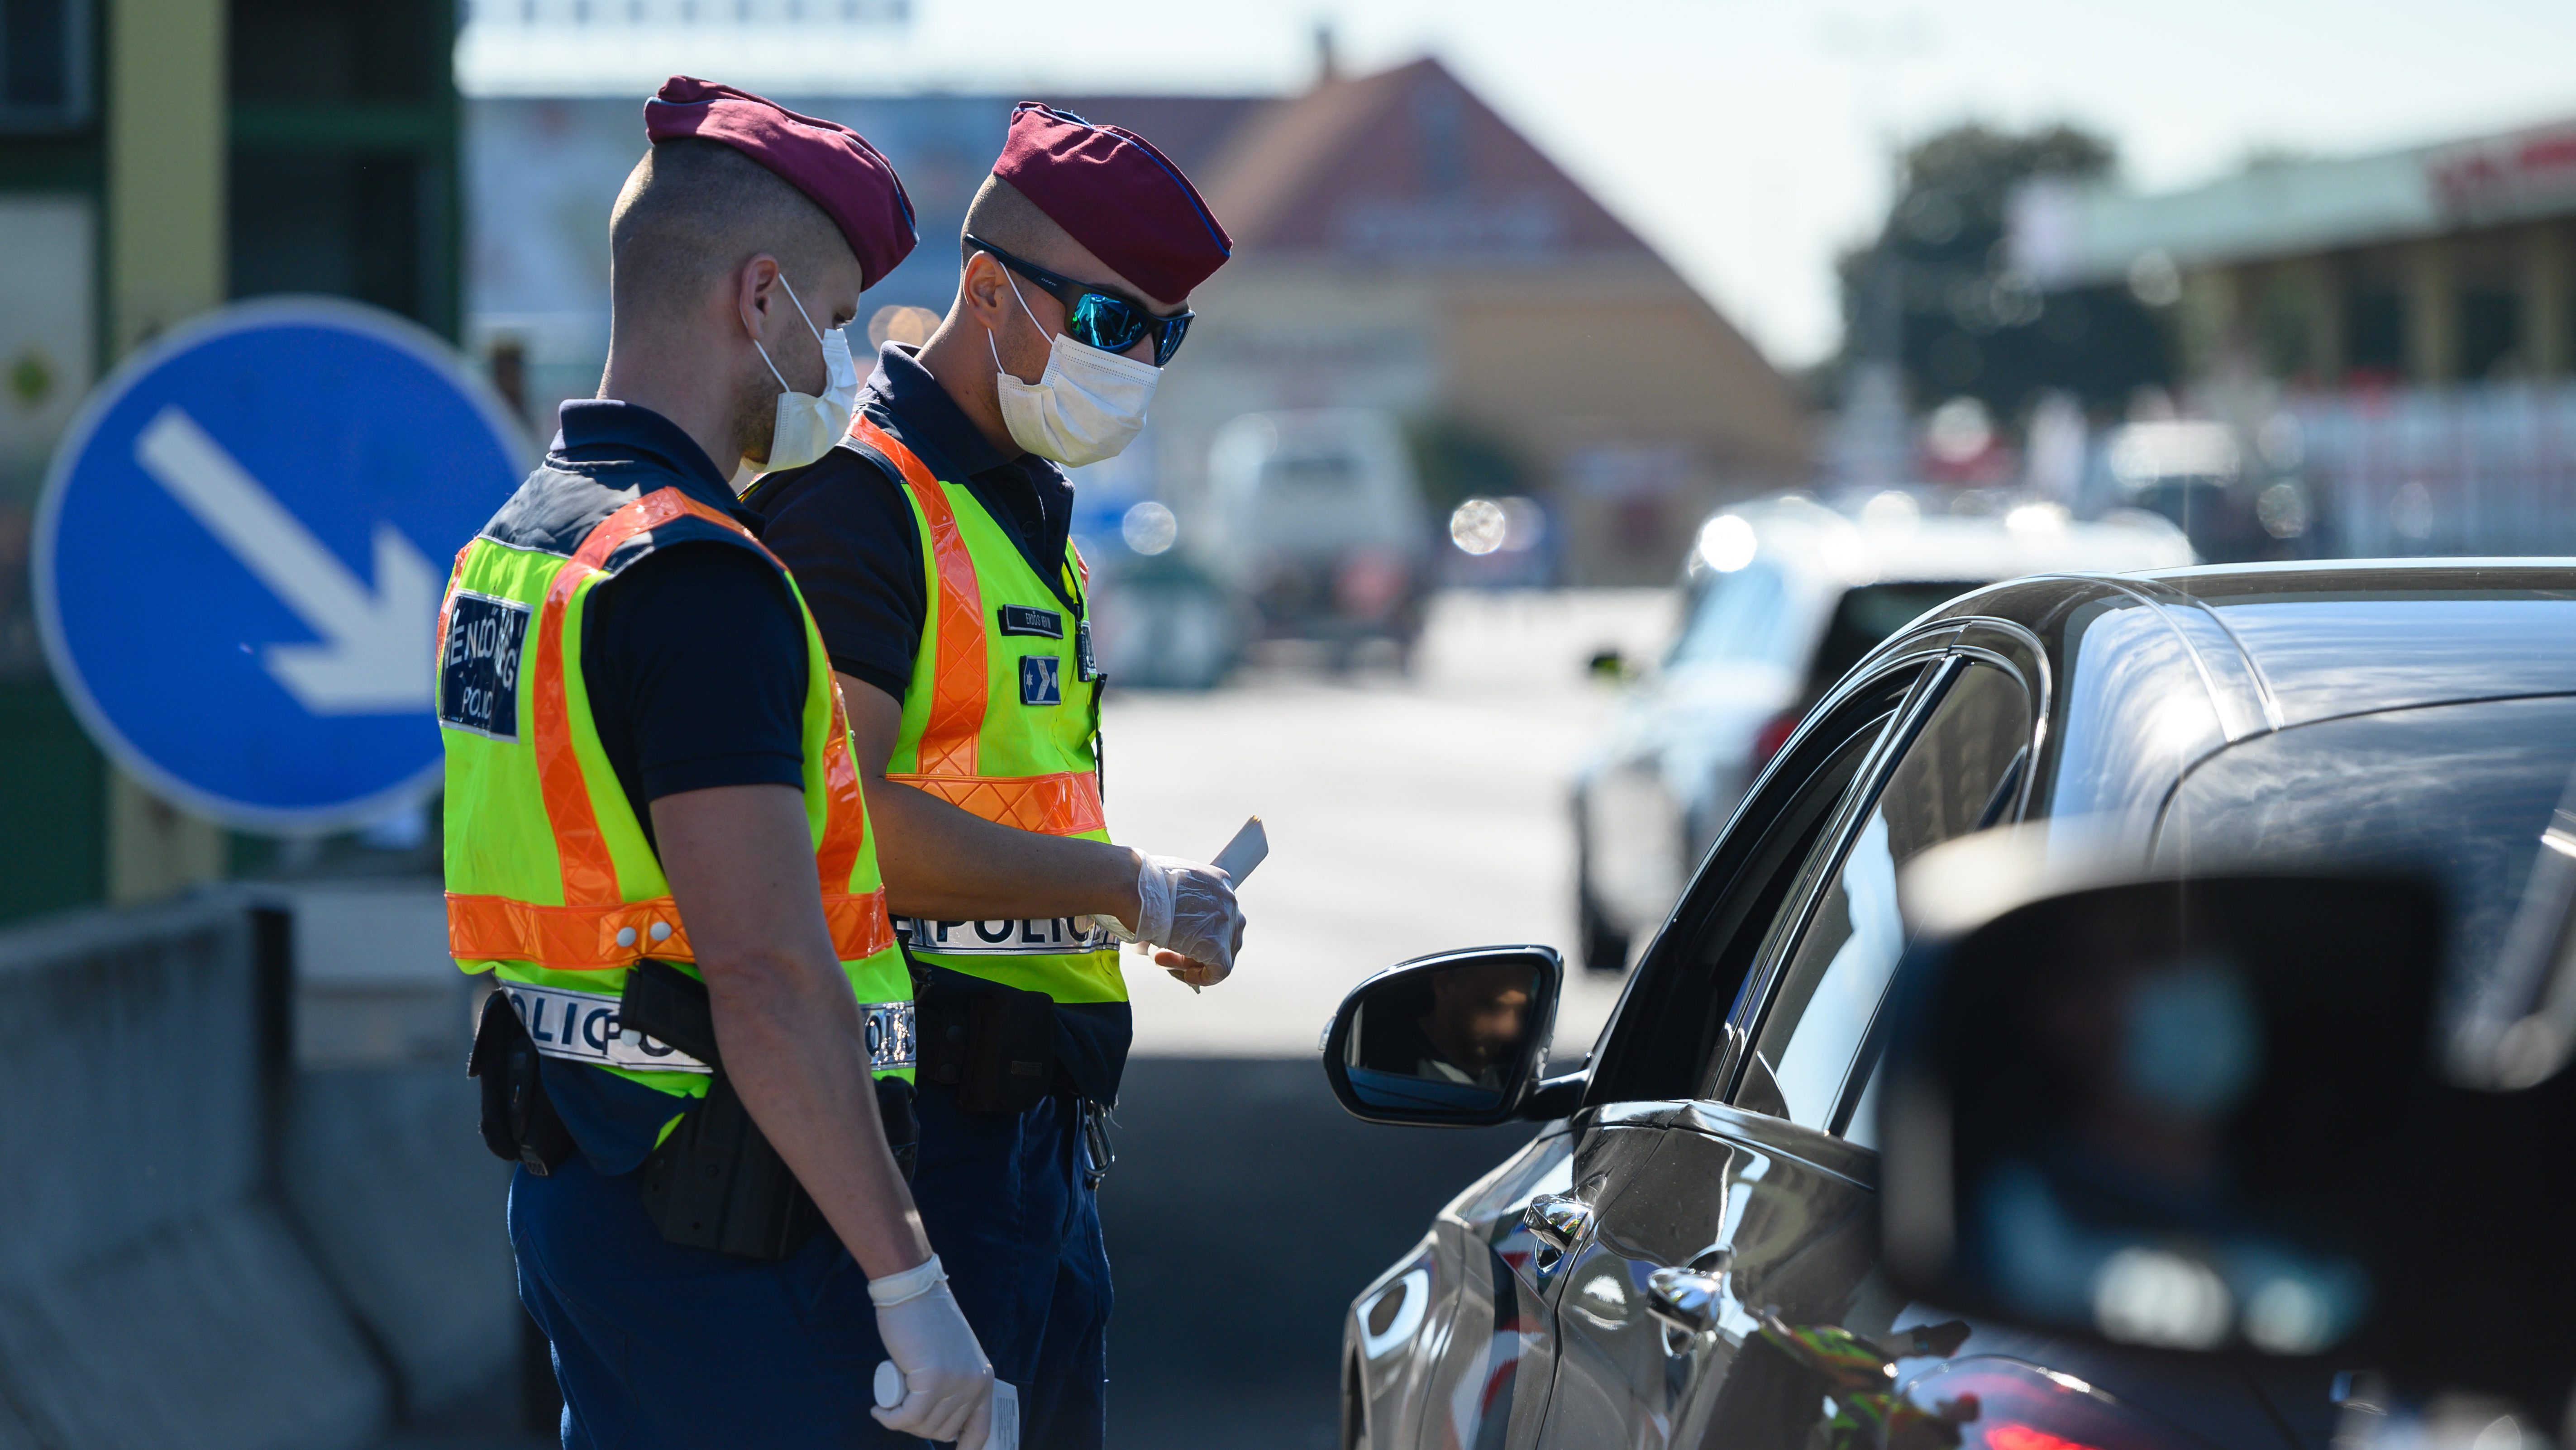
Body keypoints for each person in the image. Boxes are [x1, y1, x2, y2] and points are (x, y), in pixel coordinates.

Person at [438, 76, 994, 1449]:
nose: (845, 373)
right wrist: (908, 1277)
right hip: (737, 1226)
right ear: (761, 299)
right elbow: (765, 969)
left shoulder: (522, 544)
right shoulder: (697, 578)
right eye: (839, 324)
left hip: (586, 1183)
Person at [746, 102, 1245, 1446]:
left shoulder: (1025, 519)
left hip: (1035, 1147)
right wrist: (1126, 887)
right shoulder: (862, 504)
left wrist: (1134, 907)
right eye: (1104, 325)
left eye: (1160, 334)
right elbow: (828, 821)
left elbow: (1002, 805)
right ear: (985, 290)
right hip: (924, 1139)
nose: (1134, 361)